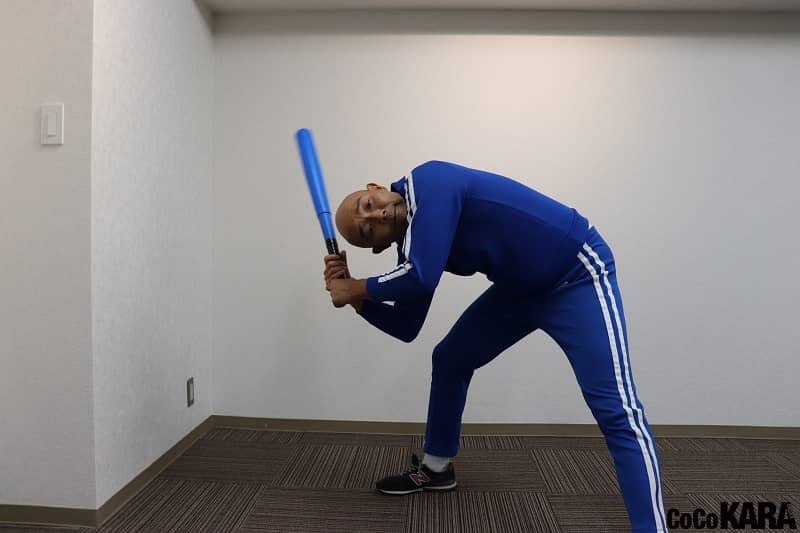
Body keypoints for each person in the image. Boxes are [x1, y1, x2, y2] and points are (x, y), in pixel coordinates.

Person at [323, 160, 668, 533]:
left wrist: (356, 287)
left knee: (617, 410)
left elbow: (421, 278)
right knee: (451, 358)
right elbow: (406, 326)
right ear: (377, 246)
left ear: (374, 187)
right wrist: (357, 300)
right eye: (367, 229)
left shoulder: (430, 180)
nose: (375, 215)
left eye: (367, 205)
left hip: (577, 275)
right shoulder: (413, 249)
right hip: (518, 291)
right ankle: (436, 468)